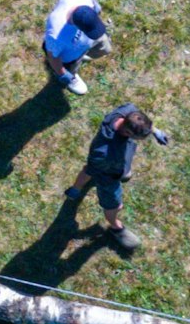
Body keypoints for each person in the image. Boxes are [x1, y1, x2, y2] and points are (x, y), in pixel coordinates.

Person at [65, 104, 170, 253]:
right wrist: (119, 176)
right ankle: (115, 226)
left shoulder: (126, 113)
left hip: (110, 161)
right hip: (108, 177)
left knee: (113, 172)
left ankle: (76, 189)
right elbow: (93, 169)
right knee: (114, 205)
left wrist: (155, 131)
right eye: (139, 138)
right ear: (127, 132)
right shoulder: (104, 152)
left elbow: (135, 113)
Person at [41, 0, 111, 95]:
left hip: (85, 43)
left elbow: (92, 0)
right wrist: (63, 74)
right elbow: (53, 57)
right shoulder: (56, 34)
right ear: (77, 27)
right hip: (72, 55)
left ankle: (84, 54)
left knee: (105, 49)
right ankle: (73, 75)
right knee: (73, 65)